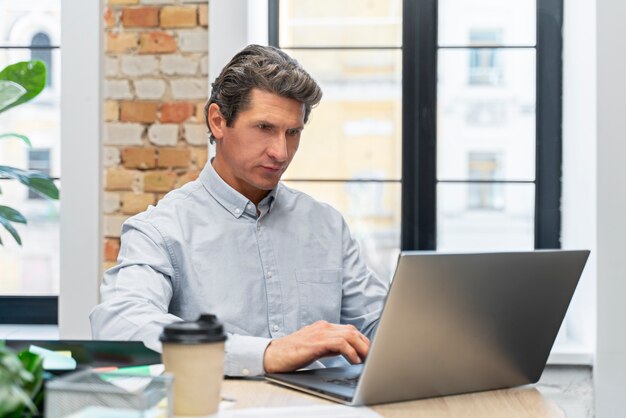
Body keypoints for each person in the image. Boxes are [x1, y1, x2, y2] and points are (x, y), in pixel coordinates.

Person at [90, 44, 389, 377]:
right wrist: (266, 354)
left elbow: (384, 327)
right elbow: (120, 327)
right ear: (218, 121)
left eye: (293, 133)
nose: (281, 152)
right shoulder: (160, 230)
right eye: (264, 128)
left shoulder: (327, 225)